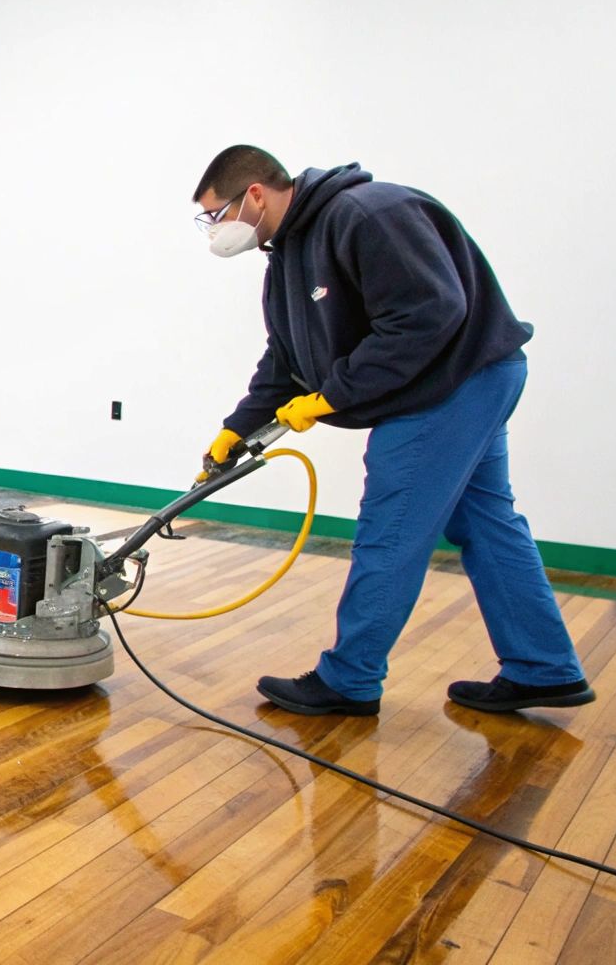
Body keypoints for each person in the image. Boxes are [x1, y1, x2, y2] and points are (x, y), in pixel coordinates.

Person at [192, 144, 594, 716]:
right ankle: (544, 668)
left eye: (217, 213)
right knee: (485, 521)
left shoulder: (367, 214)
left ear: (254, 194)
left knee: (391, 528)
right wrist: (237, 429)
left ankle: (349, 680)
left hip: (451, 383)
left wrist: (333, 395)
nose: (215, 230)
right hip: (464, 379)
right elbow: (284, 359)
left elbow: (429, 314)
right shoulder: (287, 254)